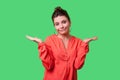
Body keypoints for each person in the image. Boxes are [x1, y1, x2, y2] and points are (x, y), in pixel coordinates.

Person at [26, 6, 97, 80]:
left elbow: (78, 66)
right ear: (54, 26)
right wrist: (41, 45)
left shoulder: (78, 42)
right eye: (57, 24)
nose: (61, 26)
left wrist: (84, 45)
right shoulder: (50, 40)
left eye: (64, 22)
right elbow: (48, 66)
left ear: (70, 22)